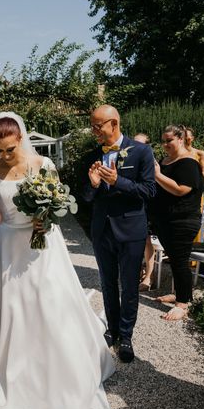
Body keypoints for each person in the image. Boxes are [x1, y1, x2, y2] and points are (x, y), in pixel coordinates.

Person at [0, 112, 114, 409]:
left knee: (51, 304)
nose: (4, 155)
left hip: (44, 246)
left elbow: (58, 204)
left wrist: (46, 219)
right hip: (9, 247)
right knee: (14, 310)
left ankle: (63, 380)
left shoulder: (43, 165)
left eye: (10, 149)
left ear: (20, 139)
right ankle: (18, 379)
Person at [82, 105, 156, 362]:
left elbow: (149, 191)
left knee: (129, 287)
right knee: (107, 283)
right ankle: (112, 331)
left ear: (113, 124)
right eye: (93, 126)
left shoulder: (143, 152)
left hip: (131, 230)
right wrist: (93, 185)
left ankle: (126, 336)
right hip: (102, 230)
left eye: (97, 126)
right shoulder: (93, 154)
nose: (94, 132)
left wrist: (118, 182)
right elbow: (86, 198)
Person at [149, 125, 204, 320]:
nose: (165, 145)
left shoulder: (188, 163)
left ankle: (183, 304)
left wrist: (157, 175)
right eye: (163, 141)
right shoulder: (165, 161)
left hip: (183, 219)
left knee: (180, 261)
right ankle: (181, 293)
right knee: (174, 259)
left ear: (181, 139)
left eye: (169, 140)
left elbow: (182, 189)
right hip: (165, 219)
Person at [133, 133, 156, 291]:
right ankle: (136, 271)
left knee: (147, 241)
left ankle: (149, 276)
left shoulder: (152, 162)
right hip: (132, 204)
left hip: (147, 205)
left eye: (140, 144)